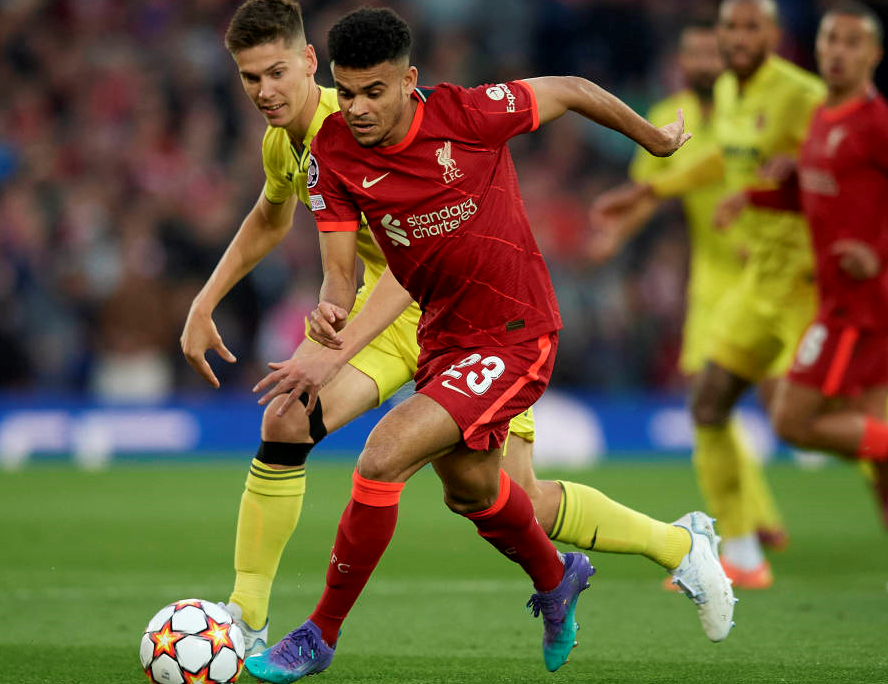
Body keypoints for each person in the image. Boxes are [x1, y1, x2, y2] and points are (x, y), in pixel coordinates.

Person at [180, 0, 736, 658]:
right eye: (250, 78)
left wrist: (334, 348)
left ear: (308, 64)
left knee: (501, 494)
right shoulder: (298, 146)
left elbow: (410, 265)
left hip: (451, 315)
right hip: (404, 322)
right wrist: (206, 301)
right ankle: (246, 616)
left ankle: (676, 545)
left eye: (276, 73)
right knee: (295, 424)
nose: (264, 92)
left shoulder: (380, 116)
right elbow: (279, 224)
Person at [591, 0, 825, 589]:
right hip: (727, 276)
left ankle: (760, 521)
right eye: (718, 36)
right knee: (710, 398)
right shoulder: (687, 109)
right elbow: (707, 165)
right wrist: (630, 215)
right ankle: (746, 544)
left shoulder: (793, 95)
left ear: (772, 34)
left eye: (748, 28)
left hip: (800, 274)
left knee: (799, 413)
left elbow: (836, 165)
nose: (712, 55)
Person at [716, 2, 888, 526]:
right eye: (831, 39)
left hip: (858, 308)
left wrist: (876, 253)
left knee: (791, 421)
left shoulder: (875, 123)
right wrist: (754, 197)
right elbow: (814, 197)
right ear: (816, 46)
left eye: (852, 42)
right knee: (880, 464)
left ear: (874, 55)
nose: (838, 52)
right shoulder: (822, 116)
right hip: (841, 299)